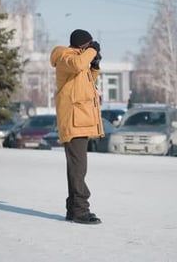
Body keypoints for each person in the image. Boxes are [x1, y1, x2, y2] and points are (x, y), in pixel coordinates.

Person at [50, 29, 104, 224]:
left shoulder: (78, 62)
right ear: (83, 45)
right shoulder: (65, 57)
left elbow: (86, 82)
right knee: (78, 169)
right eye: (89, 45)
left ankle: (73, 210)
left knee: (76, 169)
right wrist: (91, 52)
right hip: (73, 122)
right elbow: (78, 64)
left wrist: (95, 66)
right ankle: (80, 211)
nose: (92, 49)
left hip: (79, 121)